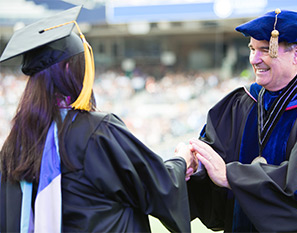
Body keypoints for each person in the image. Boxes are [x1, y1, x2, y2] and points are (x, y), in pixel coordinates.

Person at [0, 6, 196, 233]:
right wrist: (181, 161)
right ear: (68, 68)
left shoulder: (13, 149)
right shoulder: (98, 133)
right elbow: (158, 186)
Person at [187, 9, 297, 232]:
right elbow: (213, 155)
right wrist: (193, 162)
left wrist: (233, 176)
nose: (254, 59)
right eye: (252, 49)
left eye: (265, 49)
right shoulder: (242, 102)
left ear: (296, 54)